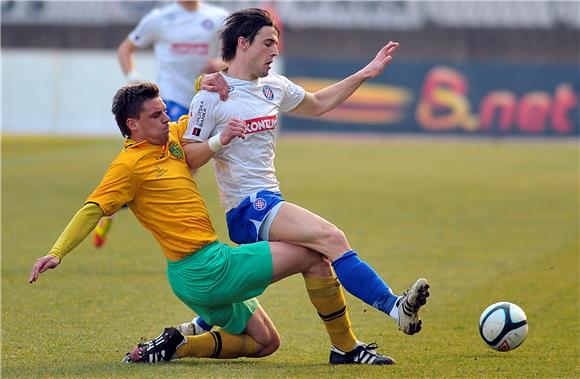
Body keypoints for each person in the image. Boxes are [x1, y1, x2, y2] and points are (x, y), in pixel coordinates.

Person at [28, 82, 398, 365]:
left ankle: (177, 345)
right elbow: (92, 209)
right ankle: (347, 349)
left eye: (164, 112)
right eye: (156, 115)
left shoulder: (171, 138)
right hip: (206, 268)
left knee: (267, 343)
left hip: (193, 275)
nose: (166, 118)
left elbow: (202, 114)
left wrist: (208, 80)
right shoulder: (127, 166)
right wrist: (56, 252)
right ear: (132, 125)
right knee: (314, 256)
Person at [180, 8, 430, 338]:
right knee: (332, 238)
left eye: (277, 43)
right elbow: (188, 157)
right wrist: (219, 139)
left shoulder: (274, 86)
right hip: (247, 207)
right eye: (268, 42)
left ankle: (201, 324)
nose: (275, 50)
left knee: (315, 257)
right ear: (243, 43)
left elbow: (318, 104)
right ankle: (396, 308)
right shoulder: (210, 97)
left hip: (269, 200)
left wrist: (366, 72)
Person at [93, 0, 229, 249]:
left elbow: (237, 56)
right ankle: (117, 204)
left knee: (186, 167)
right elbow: (125, 49)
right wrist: (135, 82)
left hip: (204, 104)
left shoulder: (219, 17)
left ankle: (121, 202)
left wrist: (220, 64)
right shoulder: (159, 19)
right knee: (169, 162)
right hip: (170, 102)